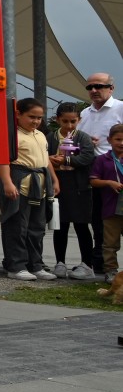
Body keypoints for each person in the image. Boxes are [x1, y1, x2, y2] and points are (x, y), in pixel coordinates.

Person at [0, 98, 59, 281]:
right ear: (18, 114)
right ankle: (16, 266)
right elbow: (3, 159)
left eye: (39, 118)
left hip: (40, 185)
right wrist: (7, 182)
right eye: (32, 117)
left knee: (37, 228)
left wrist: (54, 180)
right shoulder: (12, 134)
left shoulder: (40, 135)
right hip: (19, 183)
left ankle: (36, 265)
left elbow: (45, 160)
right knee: (17, 226)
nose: (36, 121)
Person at [50, 102, 98, 279]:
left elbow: (87, 157)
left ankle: (87, 264)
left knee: (81, 225)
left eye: (73, 121)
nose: (69, 125)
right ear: (58, 120)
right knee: (60, 226)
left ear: (79, 120)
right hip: (58, 185)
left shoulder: (83, 137)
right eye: (65, 121)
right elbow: (42, 156)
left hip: (79, 187)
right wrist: (50, 159)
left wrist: (65, 161)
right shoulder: (50, 137)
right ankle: (60, 262)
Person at [79, 74, 122, 274]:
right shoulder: (85, 113)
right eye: (90, 87)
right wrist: (86, 142)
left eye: (99, 86)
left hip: (116, 169)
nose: (94, 90)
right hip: (91, 169)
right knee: (98, 219)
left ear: (111, 88)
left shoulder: (120, 108)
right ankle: (101, 264)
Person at [89, 123, 123, 282]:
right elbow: (93, 181)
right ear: (109, 140)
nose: (121, 143)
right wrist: (109, 183)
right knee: (110, 243)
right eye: (118, 139)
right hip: (111, 207)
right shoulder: (102, 159)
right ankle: (111, 270)